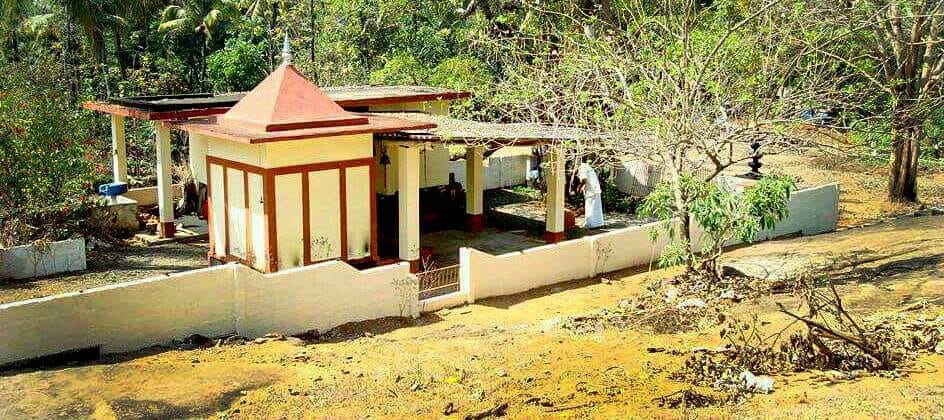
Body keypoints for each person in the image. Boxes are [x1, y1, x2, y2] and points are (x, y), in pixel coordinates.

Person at [576, 162, 604, 229]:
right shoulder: (587, 166)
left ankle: (590, 225)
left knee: (589, 208)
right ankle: (597, 224)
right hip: (595, 189)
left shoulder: (582, 167)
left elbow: (584, 179)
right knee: (596, 209)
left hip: (591, 191)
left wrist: (579, 188)